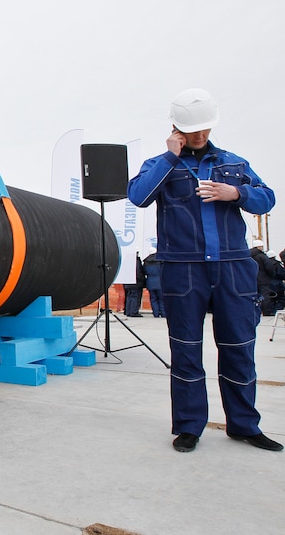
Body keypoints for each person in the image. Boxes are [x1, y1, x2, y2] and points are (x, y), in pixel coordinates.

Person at [127, 88, 282, 453]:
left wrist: (236, 194)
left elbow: (268, 197)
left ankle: (244, 424)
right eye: (192, 130)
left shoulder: (235, 164)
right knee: (186, 349)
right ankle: (189, 426)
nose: (199, 136)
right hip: (183, 271)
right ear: (176, 127)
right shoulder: (161, 164)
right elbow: (138, 196)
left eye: (204, 130)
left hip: (233, 268)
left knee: (239, 348)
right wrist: (170, 156)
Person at [250, 240, 285, 316]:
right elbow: (269, 268)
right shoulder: (262, 256)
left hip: (253, 279)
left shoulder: (250, 256)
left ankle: (258, 310)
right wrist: (271, 276)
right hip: (264, 280)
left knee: (256, 296)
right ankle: (267, 311)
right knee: (266, 295)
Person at [142, 248, 165, 318]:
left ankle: (156, 313)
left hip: (150, 282)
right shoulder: (160, 261)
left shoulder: (146, 261)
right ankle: (163, 313)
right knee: (161, 299)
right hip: (160, 282)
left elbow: (144, 272)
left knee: (153, 299)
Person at [123, 252, 145, 317]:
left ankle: (128, 311)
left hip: (127, 282)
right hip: (135, 282)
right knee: (135, 297)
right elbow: (138, 273)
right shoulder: (136, 261)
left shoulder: (126, 261)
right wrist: (142, 280)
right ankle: (133, 312)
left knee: (129, 296)